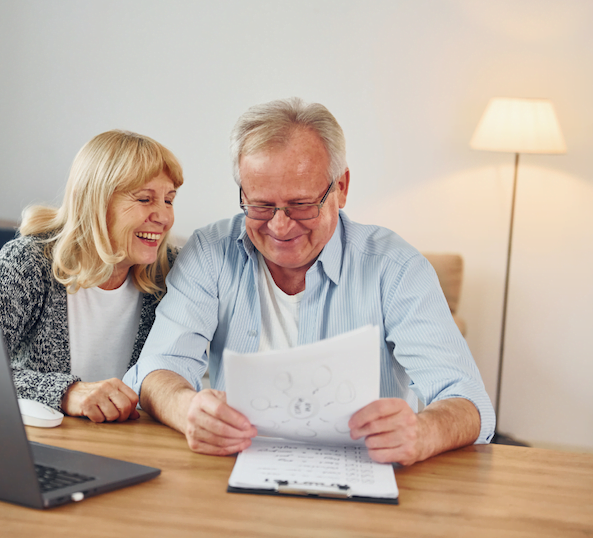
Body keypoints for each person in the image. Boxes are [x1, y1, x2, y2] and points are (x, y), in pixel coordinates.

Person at [124, 98, 494, 465]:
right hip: (232, 467)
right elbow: (158, 368)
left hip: (361, 471)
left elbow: (469, 401)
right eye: (261, 206)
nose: (280, 226)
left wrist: (424, 431)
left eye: (301, 205)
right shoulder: (210, 252)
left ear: (342, 188)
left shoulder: (396, 268)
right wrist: (186, 407)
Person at [0, 130, 183, 423]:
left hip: (133, 444)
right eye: (144, 199)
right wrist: (66, 392)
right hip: (43, 442)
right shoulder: (30, 260)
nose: (164, 217)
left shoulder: (171, 271)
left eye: (168, 200)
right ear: (95, 201)